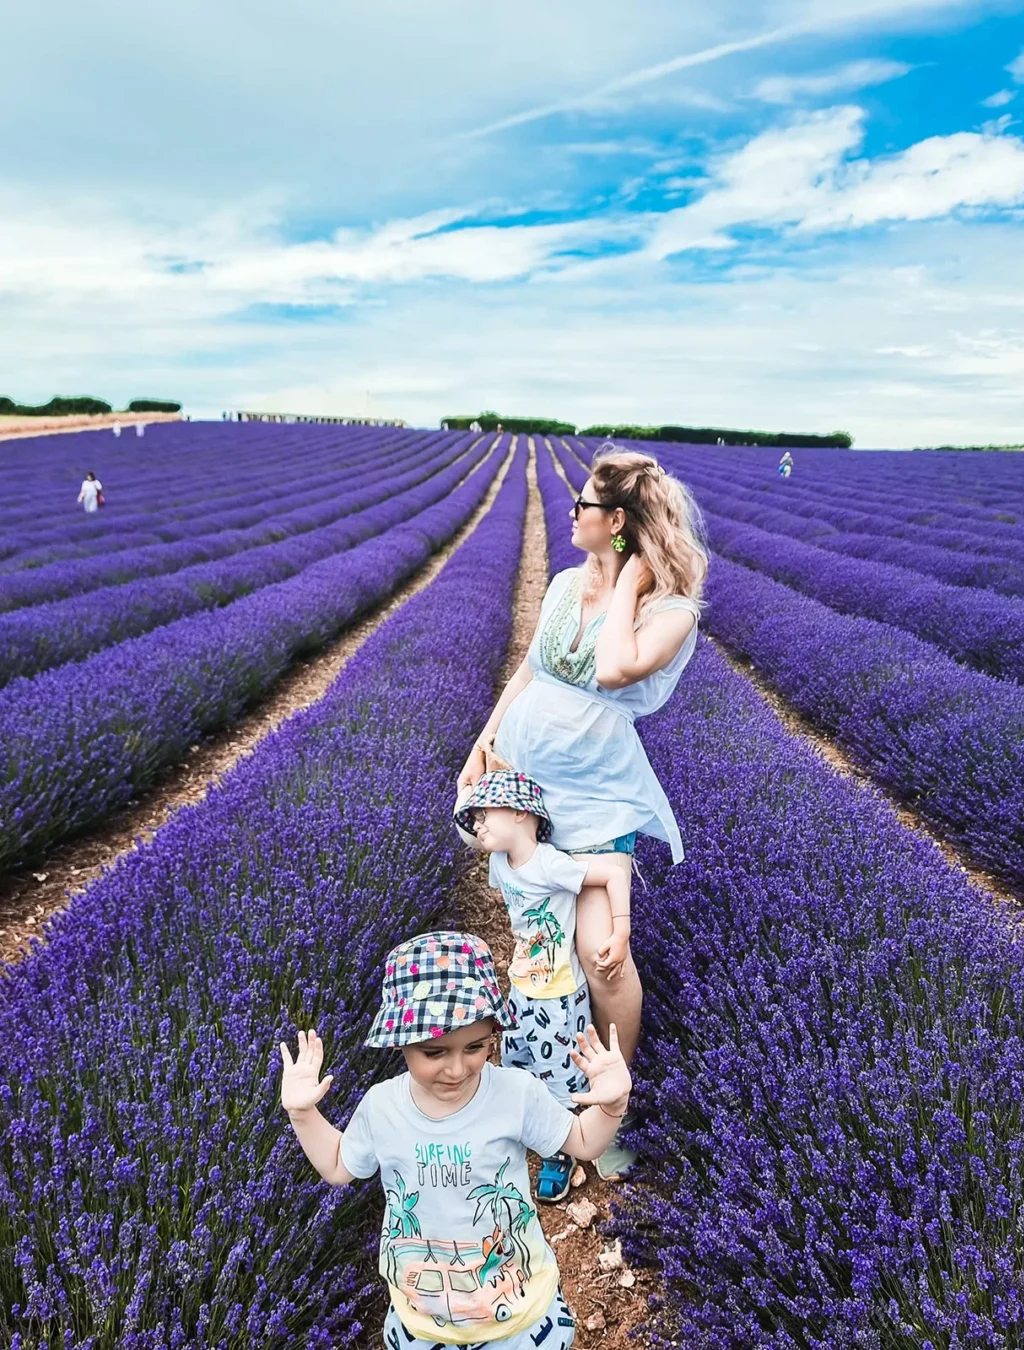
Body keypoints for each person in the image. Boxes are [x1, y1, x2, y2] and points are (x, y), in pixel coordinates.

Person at [456, 445, 707, 1177]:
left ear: (620, 522)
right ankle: (545, 1107)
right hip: (529, 785)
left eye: (584, 507)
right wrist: (484, 743)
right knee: (543, 953)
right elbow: (531, 669)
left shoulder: (672, 611)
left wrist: (629, 582)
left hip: (598, 792)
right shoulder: (565, 582)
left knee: (604, 958)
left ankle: (605, 1104)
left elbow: (610, 669)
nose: (570, 515)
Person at [280, 931, 632, 1350]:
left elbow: (582, 1141)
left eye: (476, 1046)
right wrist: (303, 1114)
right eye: (435, 1052)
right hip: (423, 1320)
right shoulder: (382, 1108)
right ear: (401, 1042)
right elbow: (338, 1164)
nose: (457, 1068)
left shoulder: (516, 1094)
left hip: (520, 1313)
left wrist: (612, 1107)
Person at [454, 771, 631, 1201]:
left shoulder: (549, 863)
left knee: (565, 1075)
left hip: (559, 995)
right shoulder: (500, 863)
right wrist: (469, 789)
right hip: (519, 989)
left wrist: (620, 933)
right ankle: (531, 1130)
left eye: (483, 814)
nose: (476, 824)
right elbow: (475, 833)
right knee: (519, 1063)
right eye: (474, 817)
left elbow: (612, 875)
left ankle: (566, 1147)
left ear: (520, 812)